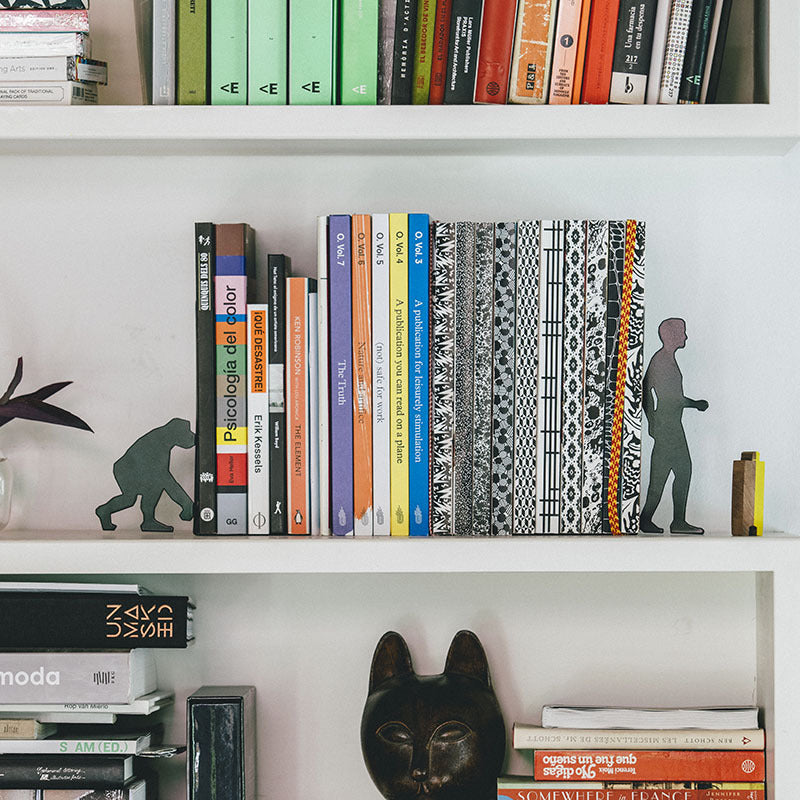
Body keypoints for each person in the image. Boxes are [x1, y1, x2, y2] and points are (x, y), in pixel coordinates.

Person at [640, 318, 708, 534]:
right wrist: (694, 404)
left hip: (669, 425)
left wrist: (653, 420)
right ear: (671, 336)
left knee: (670, 475)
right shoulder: (661, 361)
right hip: (668, 427)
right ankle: (671, 521)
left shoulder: (665, 360)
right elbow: (661, 397)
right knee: (677, 473)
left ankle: (658, 520)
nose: (685, 337)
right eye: (682, 333)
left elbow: (658, 395)